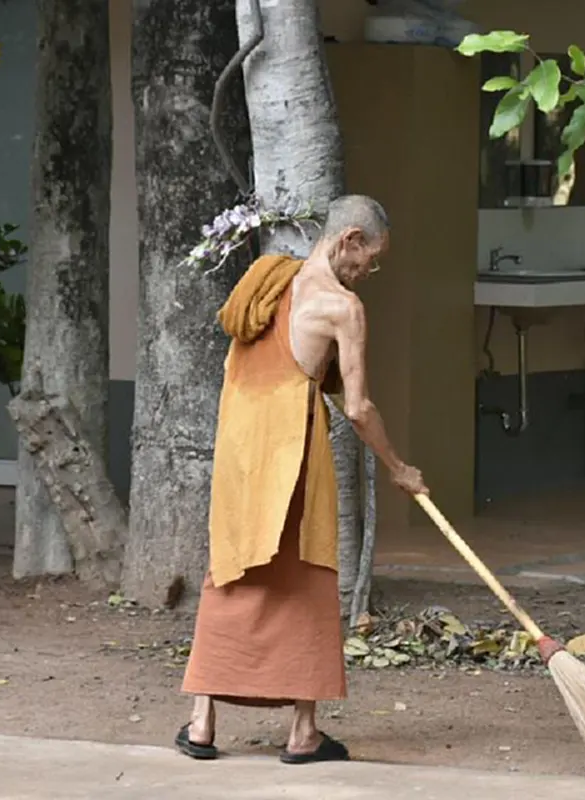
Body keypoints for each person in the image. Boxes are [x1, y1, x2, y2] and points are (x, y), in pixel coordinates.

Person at [176, 194, 428, 764]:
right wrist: (399, 468)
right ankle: (303, 733)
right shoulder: (343, 307)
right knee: (307, 578)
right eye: (370, 260)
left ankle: (201, 723)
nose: (367, 272)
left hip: (240, 449)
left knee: (232, 571)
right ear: (350, 240)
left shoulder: (268, 280)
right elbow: (358, 408)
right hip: (292, 453)